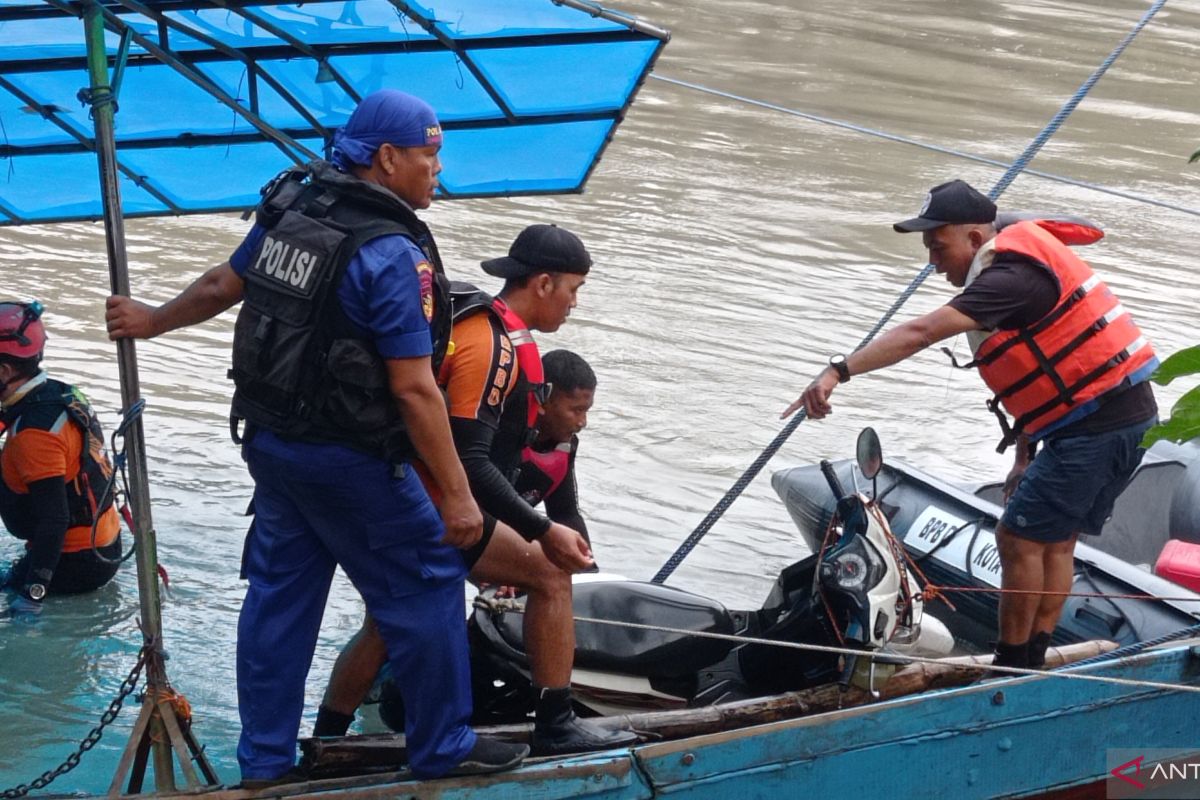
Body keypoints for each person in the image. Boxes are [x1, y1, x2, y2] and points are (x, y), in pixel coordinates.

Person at [105, 90, 527, 783]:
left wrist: (153, 321)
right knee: (428, 586)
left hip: (274, 447)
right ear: (388, 160)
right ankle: (442, 746)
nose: (437, 171)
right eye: (430, 155)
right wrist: (457, 496)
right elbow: (415, 388)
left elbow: (220, 285)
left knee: (280, 598)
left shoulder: (293, 210)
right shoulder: (390, 253)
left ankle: (265, 762)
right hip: (354, 459)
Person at [783, 179, 1158, 671]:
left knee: (1018, 539)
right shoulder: (1012, 264)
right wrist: (1024, 457)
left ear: (976, 240)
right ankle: (1034, 655)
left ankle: (1013, 662)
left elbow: (920, 332)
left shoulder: (1008, 281)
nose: (933, 261)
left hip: (1095, 430)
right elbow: (1041, 375)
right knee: (1054, 540)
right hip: (1108, 419)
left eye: (938, 247)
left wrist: (838, 370)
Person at [316, 226, 637, 756]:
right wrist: (539, 531)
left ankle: (326, 740)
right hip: (435, 506)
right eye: (573, 289)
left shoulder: (487, 330)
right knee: (550, 575)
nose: (575, 303)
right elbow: (471, 459)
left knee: (383, 625)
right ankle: (555, 721)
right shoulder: (495, 343)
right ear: (542, 283)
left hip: (401, 494)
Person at [1, 301, 123, 614]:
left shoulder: (34, 436)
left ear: (4, 370)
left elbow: (55, 520)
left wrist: (33, 593)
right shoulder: (59, 392)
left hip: (75, 563)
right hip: (104, 545)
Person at [514, 348, 597, 550]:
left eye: (586, 410)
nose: (583, 422)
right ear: (545, 400)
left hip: (516, 533)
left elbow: (564, 513)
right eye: (576, 410)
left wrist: (588, 568)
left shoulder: (565, 446)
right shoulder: (507, 435)